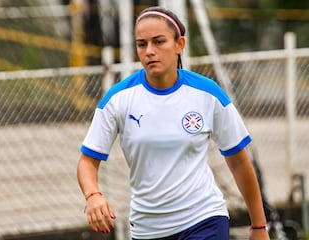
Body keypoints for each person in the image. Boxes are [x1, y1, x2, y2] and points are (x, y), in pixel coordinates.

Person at [77, 6, 270, 240]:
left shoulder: (207, 94)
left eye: (159, 42)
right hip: (148, 229)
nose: (149, 51)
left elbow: (239, 162)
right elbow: (87, 161)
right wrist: (93, 195)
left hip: (205, 220)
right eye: (142, 44)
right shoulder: (118, 99)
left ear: (179, 44)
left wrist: (259, 227)